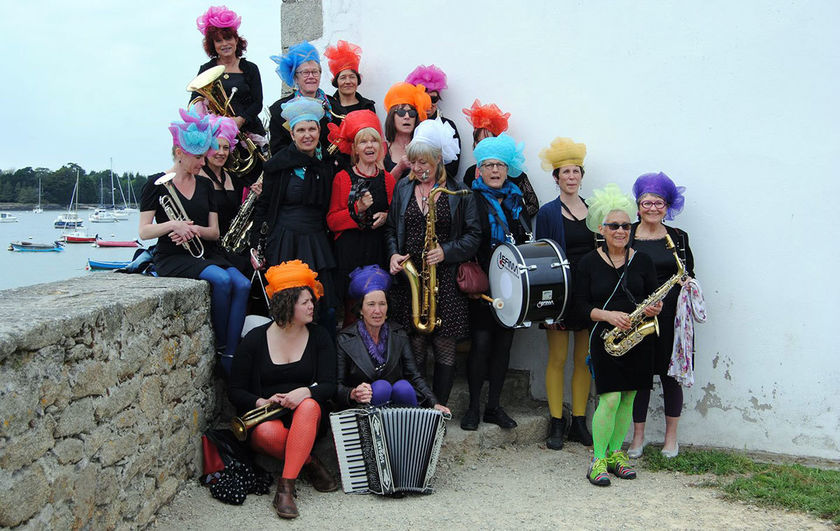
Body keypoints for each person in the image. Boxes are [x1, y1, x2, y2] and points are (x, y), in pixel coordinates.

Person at [139, 109, 251, 373]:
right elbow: (144, 232)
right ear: (180, 153)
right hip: (173, 256)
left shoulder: (204, 186)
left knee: (243, 284)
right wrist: (172, 225)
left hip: (206, 251)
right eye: (198, 157)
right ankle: (223, 348)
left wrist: (193, 230)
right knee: (223, 281)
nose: (203, 163)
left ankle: (231, 353)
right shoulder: (155, 185)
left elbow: (214, 232)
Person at [229, 260, 338, 519]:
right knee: (265, 432)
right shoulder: (255, 340)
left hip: (308, 417)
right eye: (305, 302)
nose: (312, 306)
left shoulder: (320, 336)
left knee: (310, 406)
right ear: (288, 303)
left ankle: (285, 488)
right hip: (268, 417)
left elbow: (330, 385)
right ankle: (309, 462)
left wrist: (306, 393)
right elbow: (235, 390)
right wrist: (260, 402)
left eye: (312, 301)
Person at [385, 119, 480, 407]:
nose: (417, 169)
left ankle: (439, 406)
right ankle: (418, 407)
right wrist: (392, 254)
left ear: (438, 160)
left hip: (446, 281)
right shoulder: (403, 188)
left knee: (444, 346)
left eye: (423, 163)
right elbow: (390, 229)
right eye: (413, 163)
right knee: (413, 345)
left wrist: (446, 252)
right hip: (411, 281)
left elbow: (474, 235)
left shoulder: (459, 191)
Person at [572, 184, 662, 486]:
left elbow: (650, 296)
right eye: (614, 226)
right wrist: (608, 315)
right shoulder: (587, 262)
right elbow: (579, 306)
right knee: (609, 399)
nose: (621, 230)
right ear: (602, 228)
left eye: (625, 225)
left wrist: (653, 309)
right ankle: (597, 460)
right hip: (605, 338)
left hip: (638, 338)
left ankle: (615, 454)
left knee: (628, 398)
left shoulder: (643, 261)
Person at [461, 133, 530, 431]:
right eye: (488, 165)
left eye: (500, 165)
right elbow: (464, 241)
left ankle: (494, 406)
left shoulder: (517, 200)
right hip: (483, 285)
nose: (494, 171)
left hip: (512, 285)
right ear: (479, 169)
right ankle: (474, 407)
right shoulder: (470, 199)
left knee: (504, 346)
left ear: (508, 169)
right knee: (481, 344)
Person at [253, 97, 338, 335]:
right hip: (284, 242)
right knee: (287, 307)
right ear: (292, 135)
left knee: (325, 307)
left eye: (312, 129)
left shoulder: (327, 165)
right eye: (301, 130)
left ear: (319, 131)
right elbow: (264, 207)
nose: (307, 135)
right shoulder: (277, 166)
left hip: (317, 242)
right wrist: (255, 246)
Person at [627, 172, 695, 459]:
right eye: (646, 203)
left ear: (667, 207)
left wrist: (685, 285)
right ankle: (637, 438)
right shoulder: (625, 233)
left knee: (671, 377)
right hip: (637, 314)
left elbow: (690, 275)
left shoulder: (678, 238)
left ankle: (671, 439)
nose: (652, 208)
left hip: (671, 318)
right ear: (638, 205)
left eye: (659, 203)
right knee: (639, 377)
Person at [534, 137, 595, 450]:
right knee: (557, 358)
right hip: (560, 296)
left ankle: (580, 422)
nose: (571, 177)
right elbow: (542, 260)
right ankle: (557, 422)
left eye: (576, 171)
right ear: (555, 178)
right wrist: (547, 306)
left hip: (588, 296)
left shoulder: (595, 211)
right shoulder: (547, 213)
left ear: (581, 175)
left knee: (583, 360)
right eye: (565, 172)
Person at [336, 265, 451, 414]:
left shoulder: (398, 333)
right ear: (360, 310)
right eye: (371, 305)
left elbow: (414, 376)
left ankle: (408, 435)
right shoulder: (344, 339)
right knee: (381, 387)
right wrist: (353, 393)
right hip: (362, 408)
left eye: (382, 304)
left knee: (403, 387)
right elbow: (336, 386)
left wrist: (434, 404)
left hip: (396, 405)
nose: (377, 311)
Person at [326, 111, 396, 325]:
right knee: (352, 312)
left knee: (376, 310)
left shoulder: (388, 180)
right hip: (350, 254)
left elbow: (395, 217)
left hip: (377, 252)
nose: (369, 146)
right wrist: (357, 208)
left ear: (380, 147)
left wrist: (386, 216)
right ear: (355, 149)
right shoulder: (343, 178)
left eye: (374, 140)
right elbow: (332, 221)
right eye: (363, 141)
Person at [193, 6, 265, 139]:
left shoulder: (250, 68)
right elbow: (194, 102)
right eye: (219, 41)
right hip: (217, 134)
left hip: (248, 132)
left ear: (236, 40)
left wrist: (241, 120)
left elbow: (257, 102)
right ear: (212, 45)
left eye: (228, 39)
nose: (225, 44)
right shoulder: (206, 69)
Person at [461, 100, 539, 219]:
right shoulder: (470, 173)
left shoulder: (512, 170)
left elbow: (533, 204)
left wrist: (510, 218)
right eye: (479, 142)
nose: (483, 146)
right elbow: (465, 207)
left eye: (488, 141)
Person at [268, 41, 334, 154]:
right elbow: (277, 149)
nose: (311, 77)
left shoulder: (334, 107)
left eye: (315, 72)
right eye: (305, 72)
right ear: (295, 77)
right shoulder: (279, 110)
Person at [405, 64, 461, 178]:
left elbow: (453, 167)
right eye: (424, 99)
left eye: (433, 99)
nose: (429, 104)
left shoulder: (448, 126)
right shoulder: (406, 124)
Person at [382, 82, 432, 180]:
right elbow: (382, 188)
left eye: (412, 113)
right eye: (401, 112)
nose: (407, 116)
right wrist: (399, 168)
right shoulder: (382, 150)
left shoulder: (425, 147)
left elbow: (431, 180)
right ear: (392, 117)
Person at [323, 40, 376, 124]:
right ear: (336, 81)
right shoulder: (329, 107)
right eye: (343, 78)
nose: (348, 81)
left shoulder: (368, 106)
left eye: (352, 77)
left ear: (357, 80)